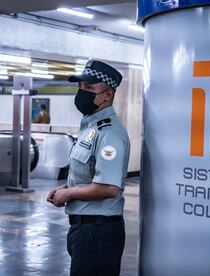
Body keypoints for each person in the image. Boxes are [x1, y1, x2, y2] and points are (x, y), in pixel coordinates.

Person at [47, 60, 130, 276]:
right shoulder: (90, 126)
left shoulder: (109, 133)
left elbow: (109, 187)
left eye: (89, 88)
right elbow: (90, 174)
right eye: (81, 87)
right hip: (85, 230)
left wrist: (69, 193)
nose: (82, 93)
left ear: (108, 94)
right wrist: (66, 188)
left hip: (98, 232)